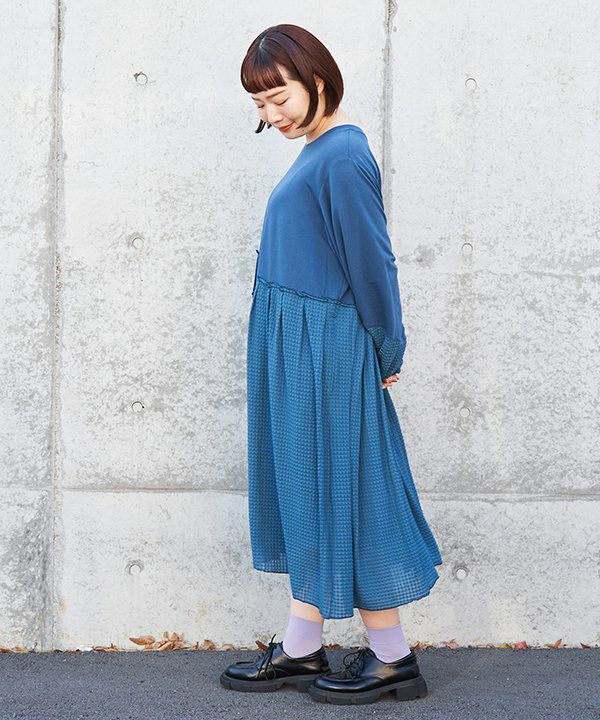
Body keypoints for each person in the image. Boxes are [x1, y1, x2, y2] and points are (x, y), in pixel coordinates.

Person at [220, 23, 443, 705]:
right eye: (259, 105)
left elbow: (373, 260)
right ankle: (302, 645)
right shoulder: (320, 150)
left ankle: (392, 657)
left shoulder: (342, 155)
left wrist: (387, 344)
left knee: (351, 487)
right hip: (299, 346)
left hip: (326, 349)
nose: (271, 115)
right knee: (307, 484)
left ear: (317, 79)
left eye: (278, 96)